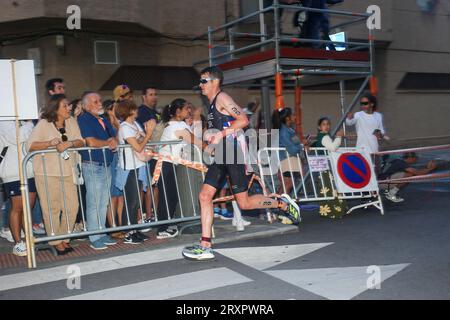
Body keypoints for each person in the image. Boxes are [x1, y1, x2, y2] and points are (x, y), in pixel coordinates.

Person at [182, 66, 301, 261]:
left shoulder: (222, 98)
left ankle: (281, 203)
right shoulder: (212, 103)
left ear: (214, 82)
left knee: (244, 203)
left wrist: (220, 134)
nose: (200, 86)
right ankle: (205, 245)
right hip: (222, 154)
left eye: (203, 81)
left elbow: (244, 120)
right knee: (205, 196)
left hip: (233, 154)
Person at [28, 94, 85, 255]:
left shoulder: (72, 122)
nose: (69, 108)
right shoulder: (44, 124)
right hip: (47, 172)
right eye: (65, 106)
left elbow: (81, 141)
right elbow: (30, 146)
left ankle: (64, 238)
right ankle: (55, 241)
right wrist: (49, 143)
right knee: (51, 208)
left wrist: (70, 143)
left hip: (68, 171)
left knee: (72, 206)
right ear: (56, 108)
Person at [156, 98, 204, 239]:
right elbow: (194, 140)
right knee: (166, 196)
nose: (189, 111)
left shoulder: (181, 124)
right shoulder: (173, 126)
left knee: (172, 196)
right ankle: (161, 229)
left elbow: (195, 136)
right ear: (178, 111)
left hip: (172, 163)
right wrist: (209, 148)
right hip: (165, 163)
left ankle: (167, 224)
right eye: (186, 108)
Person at [77, 92, 118, 250]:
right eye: (96, 101)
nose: (100, 103)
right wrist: (108, 143)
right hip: (93, 164)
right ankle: (94, 236)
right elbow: (91, 141)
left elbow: (113, 137)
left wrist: (112, 141)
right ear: (87, 106)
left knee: (103, 203)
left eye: (100, 100)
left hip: (105, 164)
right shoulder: (84, 119)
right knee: (94, 203)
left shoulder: (103, 119)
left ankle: (101, 233)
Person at [115, 100, 156, 244]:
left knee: (136, 201)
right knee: (131, 201)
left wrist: (146, 135)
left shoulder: (135, 124)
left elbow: (141, 141)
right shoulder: (125, 127)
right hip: (128, 168)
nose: (137, 110)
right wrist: (149, 133)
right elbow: (138, 147)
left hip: (138, 166)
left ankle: (134, 229)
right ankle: (128, 232)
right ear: (129, 110)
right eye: (134, 108)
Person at [0, 120, 36, 256]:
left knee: (29, 206)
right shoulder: (3, 121)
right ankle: (18, 243)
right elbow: (17, 137)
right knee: (17, 207)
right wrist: (30, 123)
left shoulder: (23, 121)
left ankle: (28, 237)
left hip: (28, 168)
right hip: (12, 170)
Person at [311, 117, 347, 218]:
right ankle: (335, 210)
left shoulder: (321, 136)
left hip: (322, 166)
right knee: (331, 187)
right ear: (319, 127)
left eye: (328, 124)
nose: (326, 126)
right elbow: (332, 147)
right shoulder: (325, 137)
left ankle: (327, 210)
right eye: (324, 124)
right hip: (326, 166)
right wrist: (339, 137)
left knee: (326, 188)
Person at [103, 99, 125, 240]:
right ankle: (112, 227)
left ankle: (121, 224)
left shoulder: (120, 124)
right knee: (112, 195)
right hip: (111, 160)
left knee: (120, 194)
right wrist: (116, 124)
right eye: (114, 109)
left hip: (120, 160)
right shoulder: (105, 124)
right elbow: (114, 141)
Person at [272, 108, 305, 197]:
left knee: (287, 184)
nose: (295, 117)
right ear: (287, 118)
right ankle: (281, 204)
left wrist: (301, 145)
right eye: (293, 115)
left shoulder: (289, 129)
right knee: (287, 184)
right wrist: (302, 146)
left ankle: (279, 203)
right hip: (286, 161)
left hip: (290, 160)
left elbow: (294, 145)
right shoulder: (284, 131)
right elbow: (292, 149)